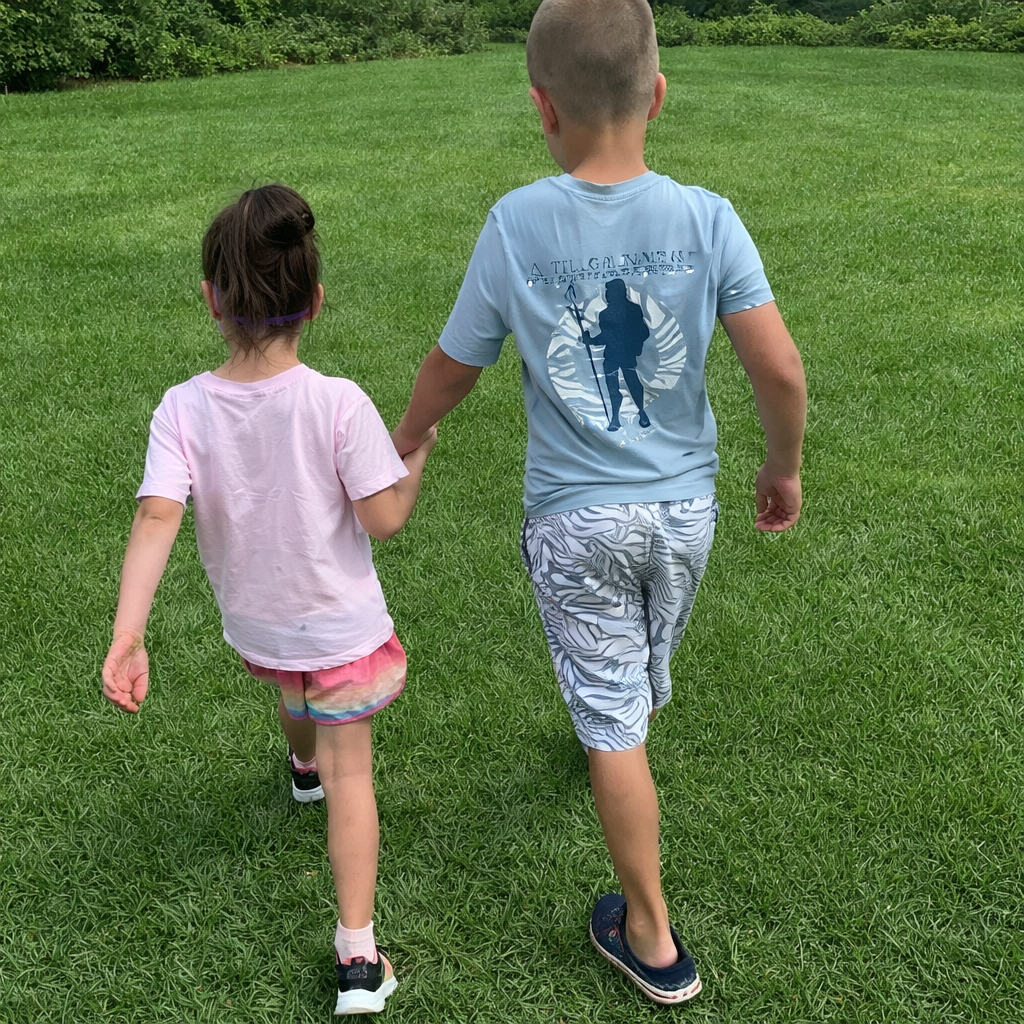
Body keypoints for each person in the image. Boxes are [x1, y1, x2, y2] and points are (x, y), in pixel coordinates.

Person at [392, 0, 806, 1006]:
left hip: (575, 519)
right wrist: (781, 466)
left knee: (614, 726)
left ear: (542, 107)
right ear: (656, 95)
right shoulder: (707, 217)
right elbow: (779, 371)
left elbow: (455, 363)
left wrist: (406, 435)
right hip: (682, 512)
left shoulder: (516, 221)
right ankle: (619, 711)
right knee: (639, 667)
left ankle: (650, 936)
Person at [101, 184, 435, 1016]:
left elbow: (155, 518)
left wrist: (129, 632)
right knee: (350, 774)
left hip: (257, 624)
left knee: (294, 687)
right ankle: (358, 956)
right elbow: (386, 518)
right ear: (315, 302)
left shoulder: (182, 408)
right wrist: (416, 448)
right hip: (343, 630)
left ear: (211, 298)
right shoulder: (339, 402)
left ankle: (299, 765)